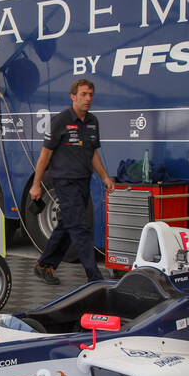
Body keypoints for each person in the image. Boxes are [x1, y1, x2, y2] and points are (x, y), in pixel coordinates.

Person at [30, 79, 112, 284]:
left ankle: (44, 265)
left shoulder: (92, 121)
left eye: (91, 94)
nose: (88, 99)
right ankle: (94, 277)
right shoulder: (60, 121)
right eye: (84, 94)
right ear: (73, 96)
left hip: (83, 182)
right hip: (64, 182)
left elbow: (92, 153)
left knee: (67, 225)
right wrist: (36, 184)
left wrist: (104, 176)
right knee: (80, 228)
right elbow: (44, 156)